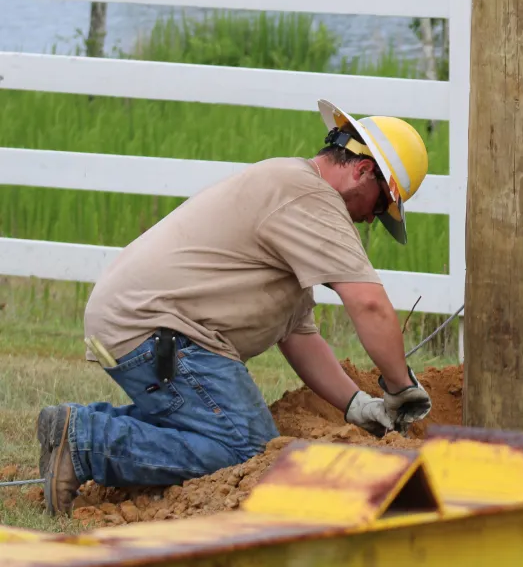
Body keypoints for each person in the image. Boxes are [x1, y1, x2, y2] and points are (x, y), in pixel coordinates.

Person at [37, 99, 434, 515]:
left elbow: (298, 333)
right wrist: (400, 388)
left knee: (212, 430)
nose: (372, 220)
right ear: (363, 170)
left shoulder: (292, 189)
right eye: (378, 206)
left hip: (144, 324)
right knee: (246, 452)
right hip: (158, 331)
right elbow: (369, 304)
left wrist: (356, 405)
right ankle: (87, 442)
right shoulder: (311, 197)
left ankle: (77, 432)